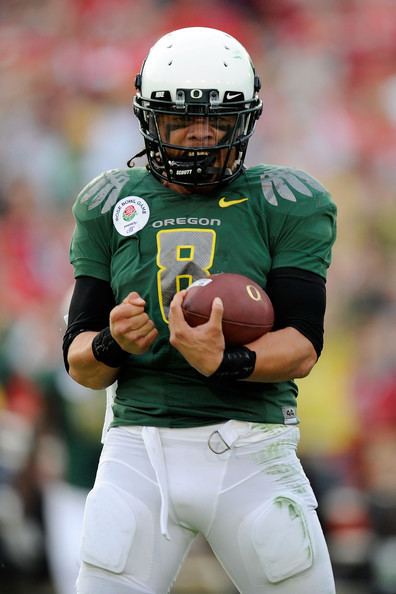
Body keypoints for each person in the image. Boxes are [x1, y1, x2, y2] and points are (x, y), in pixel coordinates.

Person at [63, 26, 337, 594]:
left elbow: (303, 345)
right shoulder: (111, 202)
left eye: (217, 120)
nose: (200, 135)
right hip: (140, 446)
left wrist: (227, 359)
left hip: (251, 447)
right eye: (181, 119)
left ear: (245, 120)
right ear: (149, 120)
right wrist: (116, 344)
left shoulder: (284, 200)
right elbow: (81, 362)